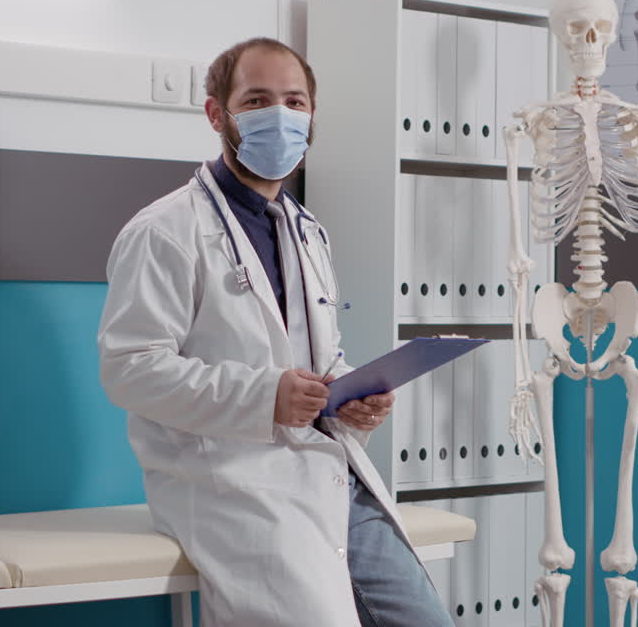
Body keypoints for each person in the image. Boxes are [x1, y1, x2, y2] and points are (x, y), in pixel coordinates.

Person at [98, 37, 453, 627]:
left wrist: (348, 398)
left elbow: (318, 354)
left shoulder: (306, 231)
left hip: (328, 473)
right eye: (258, 100)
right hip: (231, 482)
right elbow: (130, 370)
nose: (281, 117)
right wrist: (266, 397)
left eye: (295, 101)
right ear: (218, 114)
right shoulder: (164, 231)